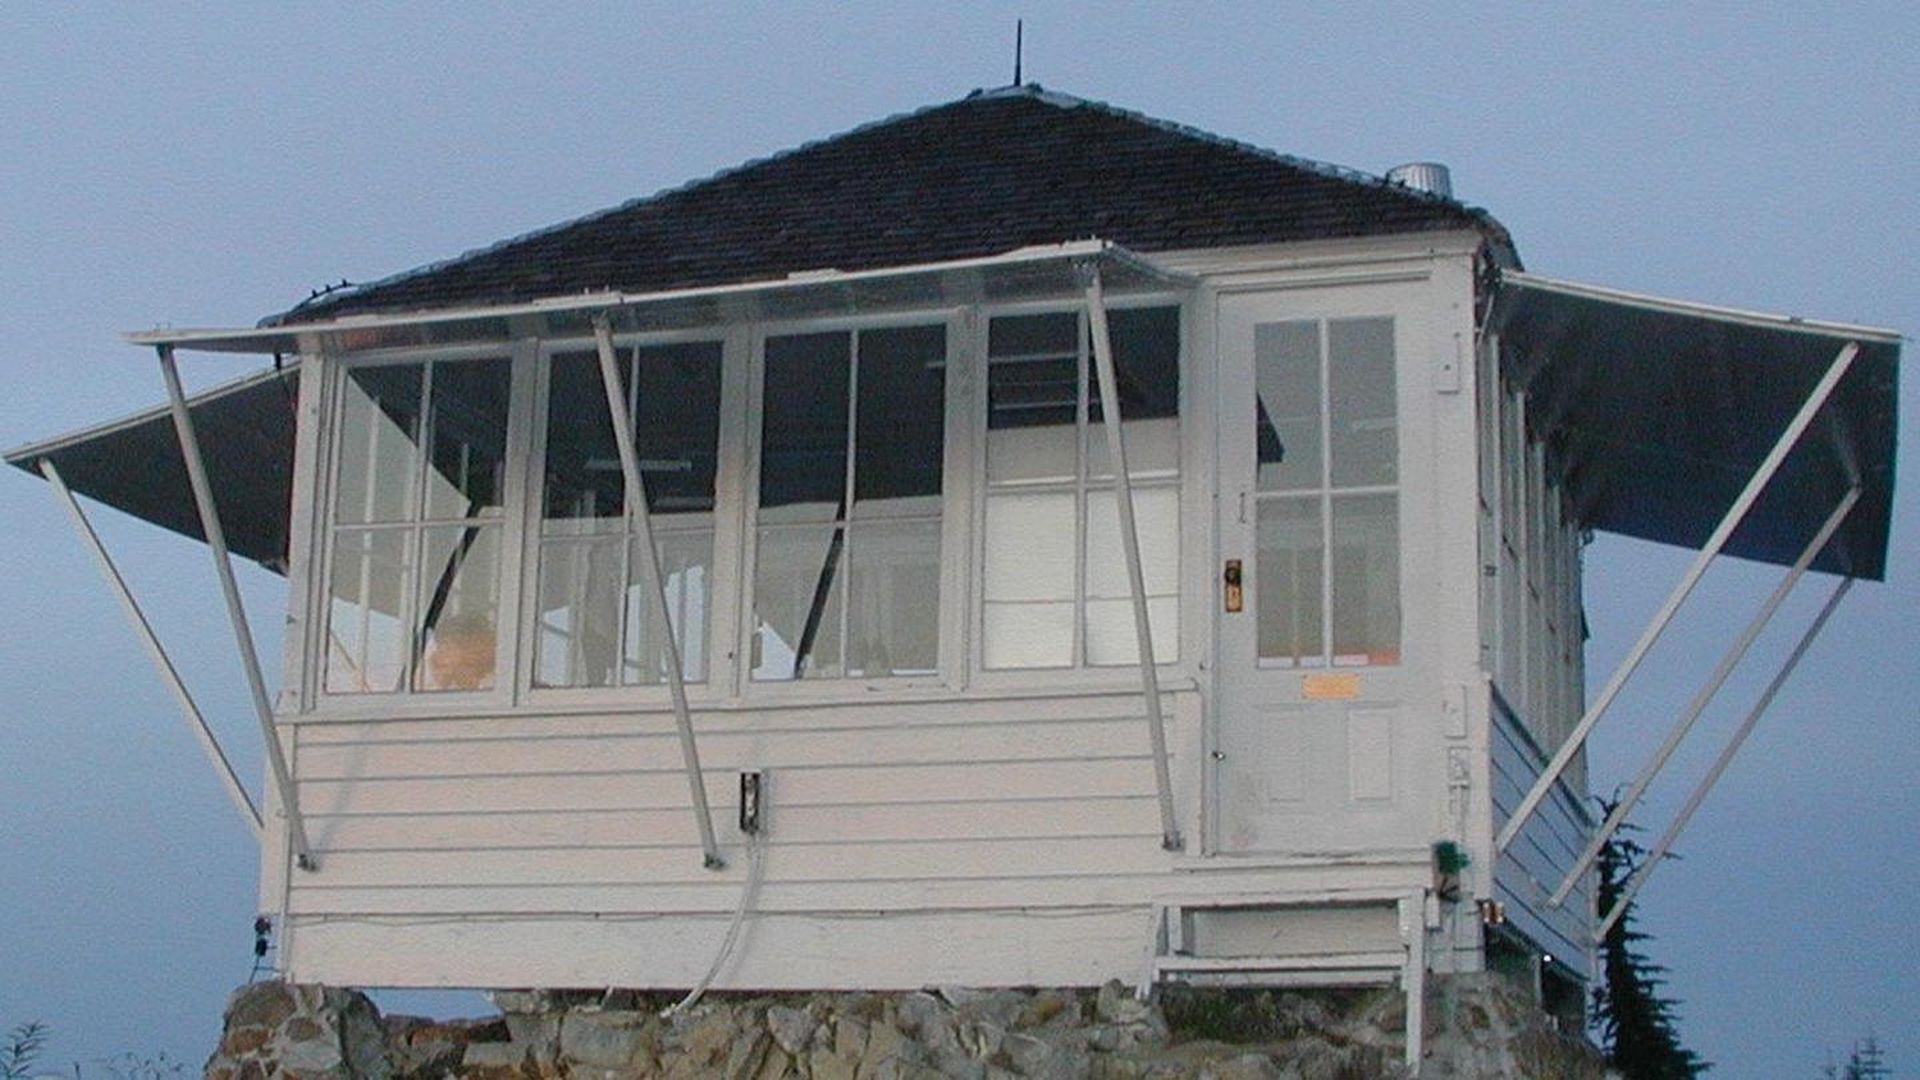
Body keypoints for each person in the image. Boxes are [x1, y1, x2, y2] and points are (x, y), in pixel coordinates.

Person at [425, 610, 497, 691]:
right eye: (439, 646)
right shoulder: (436, 678)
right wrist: (441, 682)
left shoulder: (497, 681)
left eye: (447, 646)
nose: (438, 653)